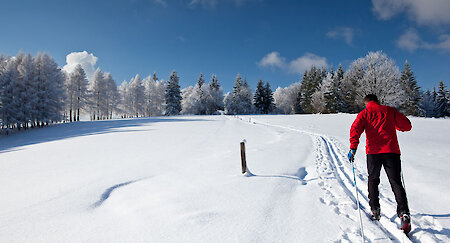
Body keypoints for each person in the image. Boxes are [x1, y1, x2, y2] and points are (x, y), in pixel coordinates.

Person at [348, 94, 412, 233]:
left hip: (373, 153)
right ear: (378, 101)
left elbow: (355, 129)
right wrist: (397, 124)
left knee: (373, 180)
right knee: (396, 182)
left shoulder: (364, 113)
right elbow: (406, 126)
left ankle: (375, 209)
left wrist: (353, 147)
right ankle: (404, 213)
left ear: (366, 103)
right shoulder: (389, 110)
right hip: (392, 152)